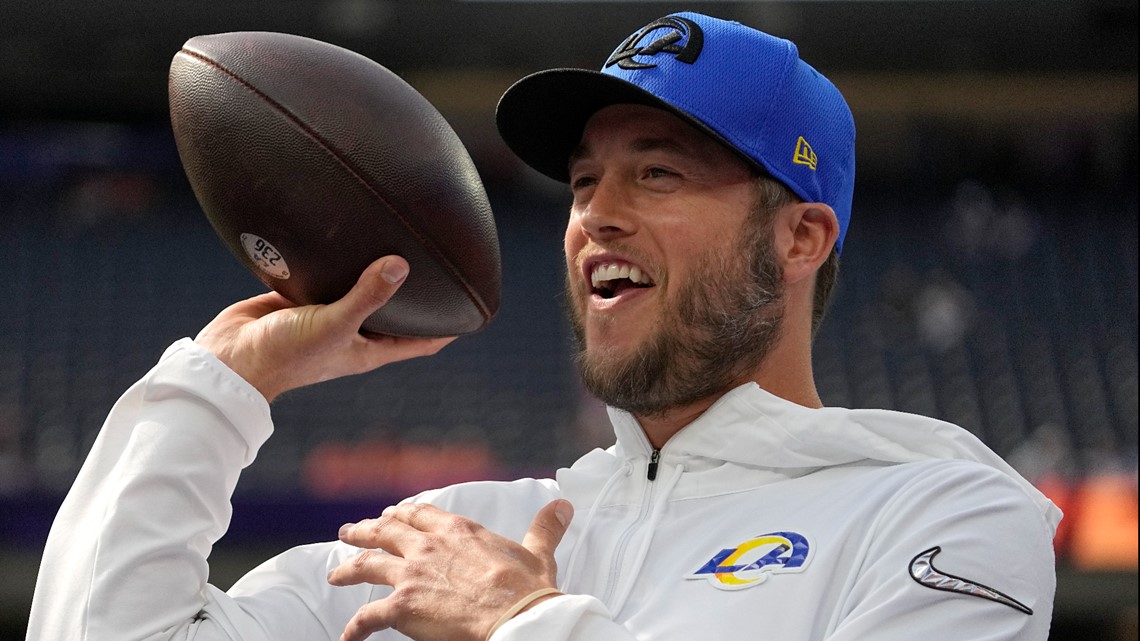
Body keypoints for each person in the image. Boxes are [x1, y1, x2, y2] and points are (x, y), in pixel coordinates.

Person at [27, 11, 1060, 641]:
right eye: (581, 182)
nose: (595, 215)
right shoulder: (457, 534)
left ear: (800, 237)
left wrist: (521, 621)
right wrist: (218, 384)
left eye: (657, 172)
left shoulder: (944, 512)